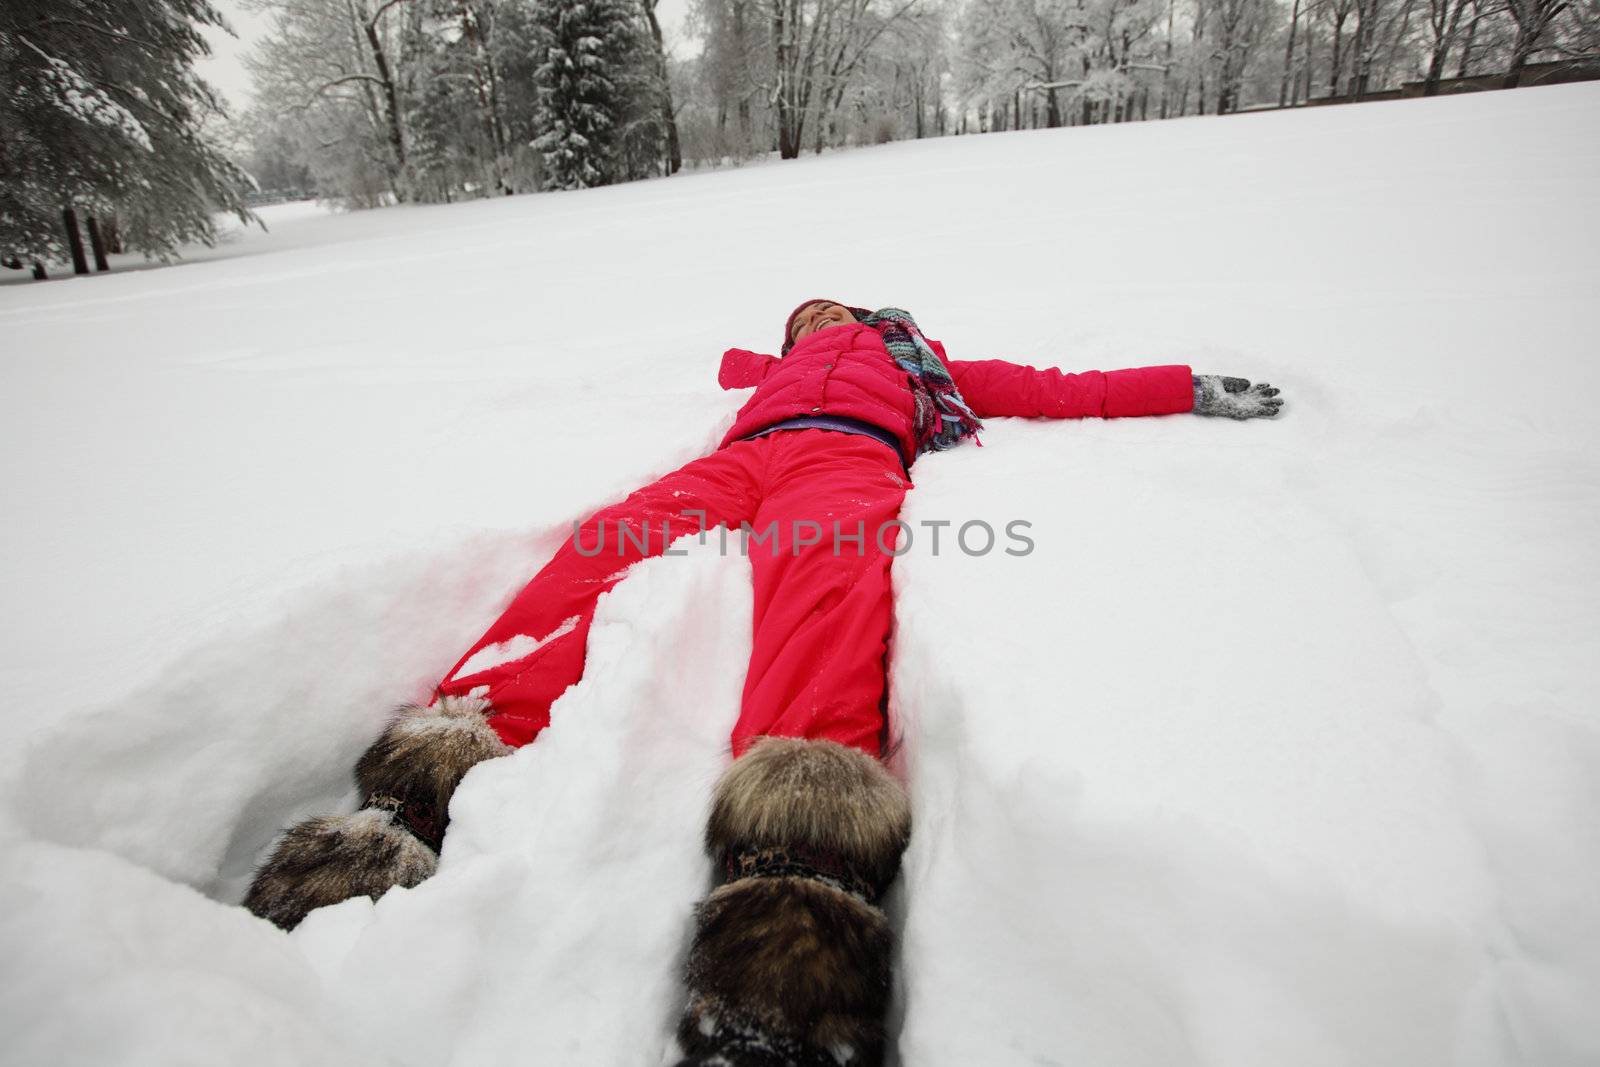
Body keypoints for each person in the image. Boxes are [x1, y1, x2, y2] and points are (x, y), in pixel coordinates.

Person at [244, 299, 1283, 1066]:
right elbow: (716, 357)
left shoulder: (926, 365)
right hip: (742, 461)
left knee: (828, 605)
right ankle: (414, 792)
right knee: (594, 556)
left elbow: (1063, 389)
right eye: (803, 316)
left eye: (833, 307)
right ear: (785, 340)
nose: (822, 317)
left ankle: (798, 887)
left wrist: (1186, 385)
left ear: (874, 314)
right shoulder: (765, 371)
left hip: (847, 459)